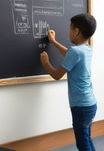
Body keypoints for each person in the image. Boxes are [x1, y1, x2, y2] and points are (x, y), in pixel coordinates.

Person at [40, 14, 97, 151]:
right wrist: (53, 42)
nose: (69, 32)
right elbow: (69, 53)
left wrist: (46, 63)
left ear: (76, 31)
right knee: (87, 138)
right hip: (90, 104)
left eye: (70, 29)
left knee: (82, 143)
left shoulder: (75, 52)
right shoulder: (86, 49)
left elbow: (57, 75)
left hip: (80, 107)